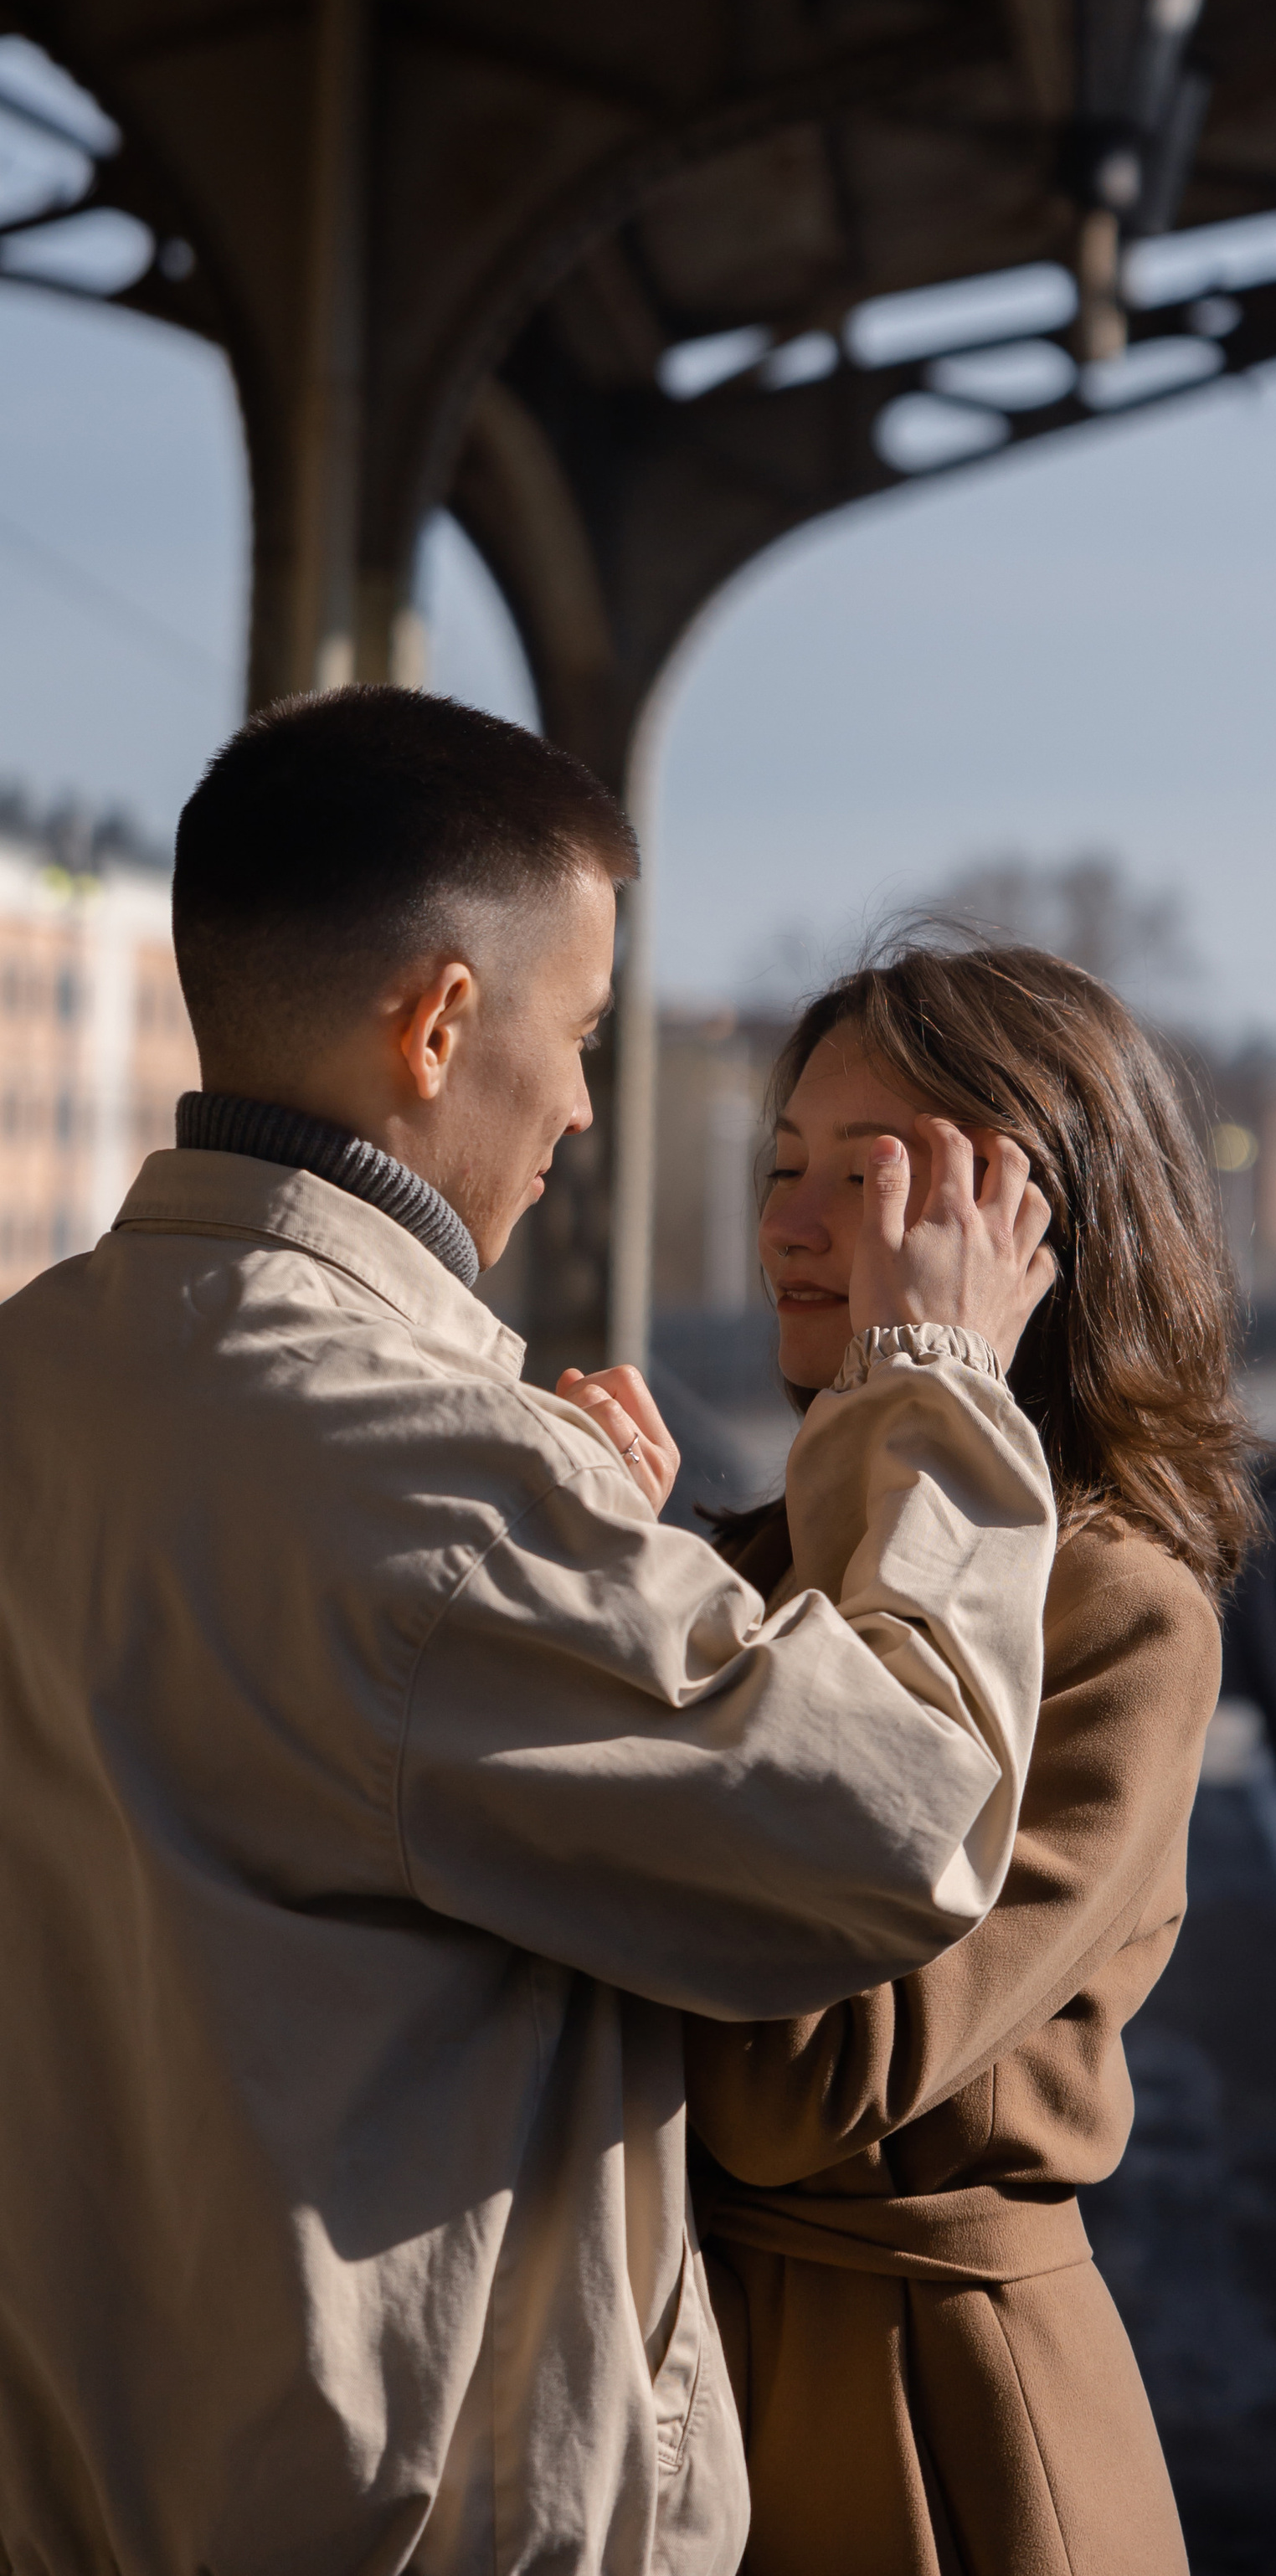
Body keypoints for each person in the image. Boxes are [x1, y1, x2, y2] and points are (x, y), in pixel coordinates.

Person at [0, 690, 1062, 2576]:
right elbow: (900, 1820)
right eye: (576, 1035)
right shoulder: (438, 1486)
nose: (583, 1105)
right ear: (438, 1026)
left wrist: (576, 1540)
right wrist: (933, 1383)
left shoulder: (51, 1373)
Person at [683, 942, 1263, 2576]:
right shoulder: (742, 1568)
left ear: (1034, 1239)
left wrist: (921, 1389)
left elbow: (801, 2077)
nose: (793, 1228)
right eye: (783, 1170)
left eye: (874, 1182)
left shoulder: (1121, 1618)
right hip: (704, 2379)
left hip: (932, 2436)